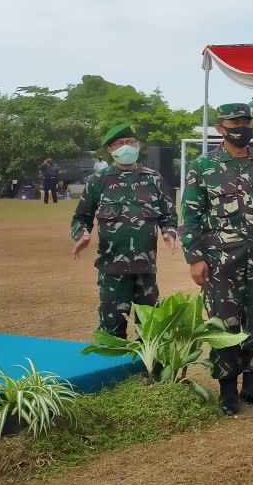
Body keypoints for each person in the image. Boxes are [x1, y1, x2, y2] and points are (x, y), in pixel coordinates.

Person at [180, 103, 253, 415]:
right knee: (224, 324)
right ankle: (227, 388)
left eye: (246, 121)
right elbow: (191, 216)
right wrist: (195, 257)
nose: (242, 127)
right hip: (220, 261)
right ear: (220, 129)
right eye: (234, 122)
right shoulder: (204, 167)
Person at [71, 123, 178, 338]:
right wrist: (82, 234)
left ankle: (147, 371)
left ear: (138, 146)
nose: (126, 147)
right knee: (112, 330)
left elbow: (169, 215)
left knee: (149, 331)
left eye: (131, 142)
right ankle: (114, 370)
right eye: (120, 143)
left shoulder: (153, 179)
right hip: (112, 271)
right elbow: (81, 218)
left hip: (145, 269)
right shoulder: (97, 181)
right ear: (110, 149)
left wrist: (169, 232)